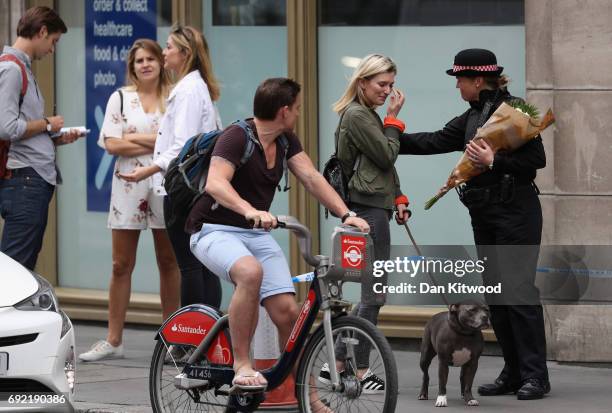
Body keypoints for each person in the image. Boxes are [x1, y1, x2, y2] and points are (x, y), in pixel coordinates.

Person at [186, 78, 369, 393]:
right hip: (212, 229)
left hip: (254, 233)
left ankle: (306, 393)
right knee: (249, 272)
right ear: (284, 111)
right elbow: (215, 184)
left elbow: (311, 177)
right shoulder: (236, 137)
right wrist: (249, 210)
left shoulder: (285, 140)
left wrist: (346, 214)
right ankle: (243, 365)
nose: (298, 114)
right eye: (297, 108)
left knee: (287, 313)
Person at [398, 48, 550, 400]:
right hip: (484, 213)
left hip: (516, 211)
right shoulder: (471, 117)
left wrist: (494, 159)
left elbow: (535, 161)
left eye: (460, 81)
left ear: (477, 80)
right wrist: (387, 135)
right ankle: (512, 372)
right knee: (497, 294)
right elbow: (433, 140)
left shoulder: (514, 112)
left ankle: (535, 376)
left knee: (519, 291)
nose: (457, 88)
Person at [79, 39, 180, 362]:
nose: (146, 64)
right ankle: (113, 340)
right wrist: (156, 143)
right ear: (132, 67)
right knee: (120, 264)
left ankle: (172, 340)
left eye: (151, 58)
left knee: (169, 262)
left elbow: (178, 142)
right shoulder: (120, 98)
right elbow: (111, 144)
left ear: (161, 62)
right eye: (139, 61)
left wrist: (132, 137)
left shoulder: (174, 97)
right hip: (126, 186)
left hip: (165, 184)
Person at [319, 54, 410, 393]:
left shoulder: (365, 114)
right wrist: (393, 120)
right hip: (368, 213)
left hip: (375, 209)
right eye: (381, 84)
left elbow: (382, 165)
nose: (388, 91)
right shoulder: (358, 115)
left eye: (390, 85)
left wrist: (398, 198)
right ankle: (347, 368)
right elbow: (387, 154)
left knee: (374, 293)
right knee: (375, 293)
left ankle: (342, 366)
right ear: (362, 83)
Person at [120, 25, 222, 310]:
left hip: (184, 190)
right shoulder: (196, 86)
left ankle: (193, 339)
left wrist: (148, 170)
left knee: (190, 266)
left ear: (184, 53)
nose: (163, 52)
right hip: (197, 188)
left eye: (168, 47)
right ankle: (207, 334)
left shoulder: (189, 90)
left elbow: (182, 147)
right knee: (202, 265)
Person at [0, 6, 83, 270]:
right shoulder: (12, 70)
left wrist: (55, 136)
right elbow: (7, 127)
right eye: (54, 41)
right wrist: (47, 123)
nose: (52, 49)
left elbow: (18, 130)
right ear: (42, 31)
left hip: (30, 180)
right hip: (25, 180)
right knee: (15, 270)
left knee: (21, 268)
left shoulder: (22, 69)